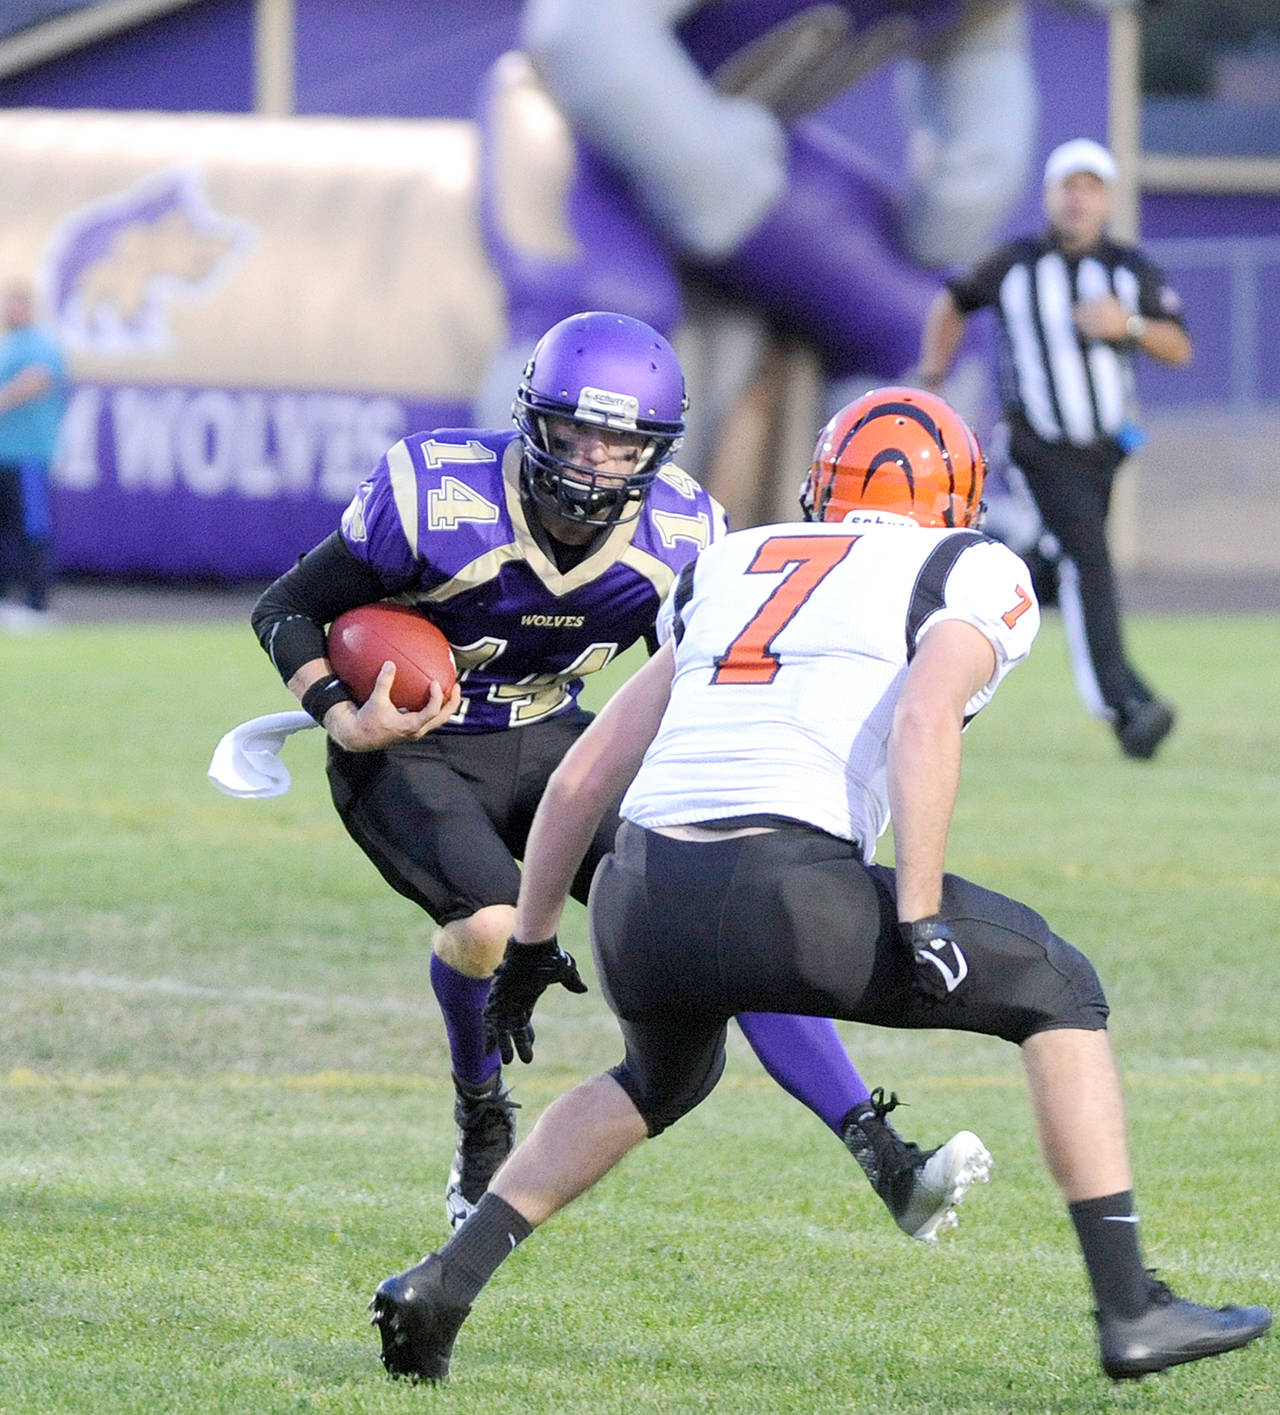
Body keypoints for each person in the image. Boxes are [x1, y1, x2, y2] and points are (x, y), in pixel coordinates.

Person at [369, 386, 1271, 1385]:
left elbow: (585, 775)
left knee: (658, 1077)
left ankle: (442, 1283)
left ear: (822, 486)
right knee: (1061, 989)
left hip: (640, 892)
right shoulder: (964, 565)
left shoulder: (731, 561)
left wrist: (535, 942)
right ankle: (1130, 1306)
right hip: (791, 889)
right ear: (958, 499)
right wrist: (919, 910)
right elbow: (925, 717)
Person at [250, 311, 989, 1241]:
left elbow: (695, 682)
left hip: (551, 735)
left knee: (721, 908)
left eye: (621, 441)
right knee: (488, 927)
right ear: (535, 420)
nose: (596, 459)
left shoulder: (685, 532)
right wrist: (340, 713)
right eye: (577, 432)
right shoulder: (435, 489)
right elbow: (287, 606)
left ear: (657, 449)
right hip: (413, 745)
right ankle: (482, 1113)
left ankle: (880, 1150)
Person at [474, 0, 1041, 434]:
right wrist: (708, 168)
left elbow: (979, 49)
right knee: (602, 314)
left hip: (723, 136)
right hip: (573, 116)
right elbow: (579, 30)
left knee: (925, 323)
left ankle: (881, 529)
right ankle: (508, 524)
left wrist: (969, 182)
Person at [916, 137, 1193, 760]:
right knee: (1088, 558)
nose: (1078, 199)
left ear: (1108, 200)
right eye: (1069, 186)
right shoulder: (1014, 264)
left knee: (1053, 561)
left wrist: (1130, 325)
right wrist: (934, 377)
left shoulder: (1130, 270)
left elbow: (1180, 347)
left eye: (1091, 187)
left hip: (1103, 451)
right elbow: (952, 302)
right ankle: (1125, 706)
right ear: (1049, 195)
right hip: (1038, 444)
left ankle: (956, 606)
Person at [0, 278, 69, 629]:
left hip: (28, 455)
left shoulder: (41, 345)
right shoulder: (6, 346)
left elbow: (37, 381)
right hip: (2, 455)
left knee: (32, 528)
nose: (14, 310)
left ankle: (37, 604)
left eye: (21, 303)